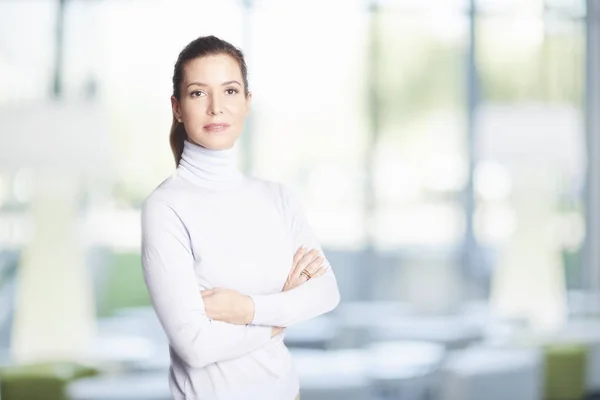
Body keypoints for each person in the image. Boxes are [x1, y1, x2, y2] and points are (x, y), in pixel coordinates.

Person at [141, 35, 341, 400]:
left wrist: (246, 308)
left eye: (230, 91)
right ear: (177, 107)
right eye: (199, 93)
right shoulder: (166, 207)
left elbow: (326, 292)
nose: (216, 108)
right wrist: (282, 314)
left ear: (247, 102)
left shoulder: (277, 197)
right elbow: (196, 346)